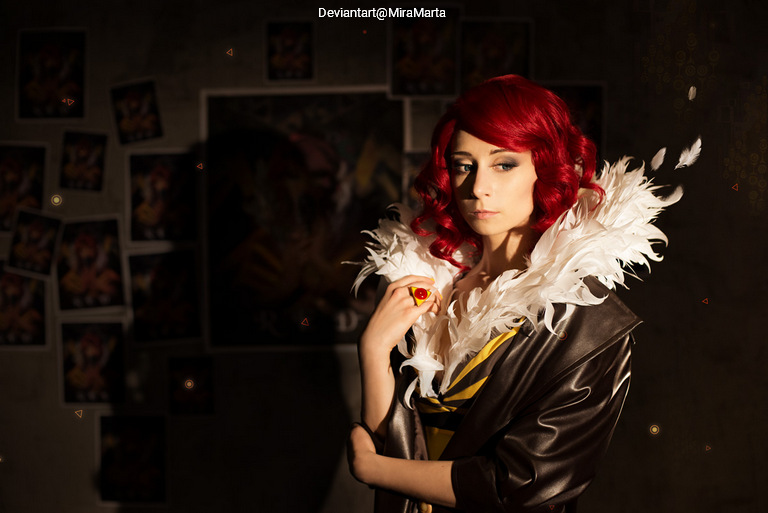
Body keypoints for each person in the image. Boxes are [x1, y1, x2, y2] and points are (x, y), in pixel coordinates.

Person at [346, 75, 684, 513]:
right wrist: (373, 351)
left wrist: (375, 471)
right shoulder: (427, 290)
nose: (477, 187)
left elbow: (518, 485)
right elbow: (394, 441)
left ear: (545, 170)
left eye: (504, 164)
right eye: (464, 165)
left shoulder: (588, 326)